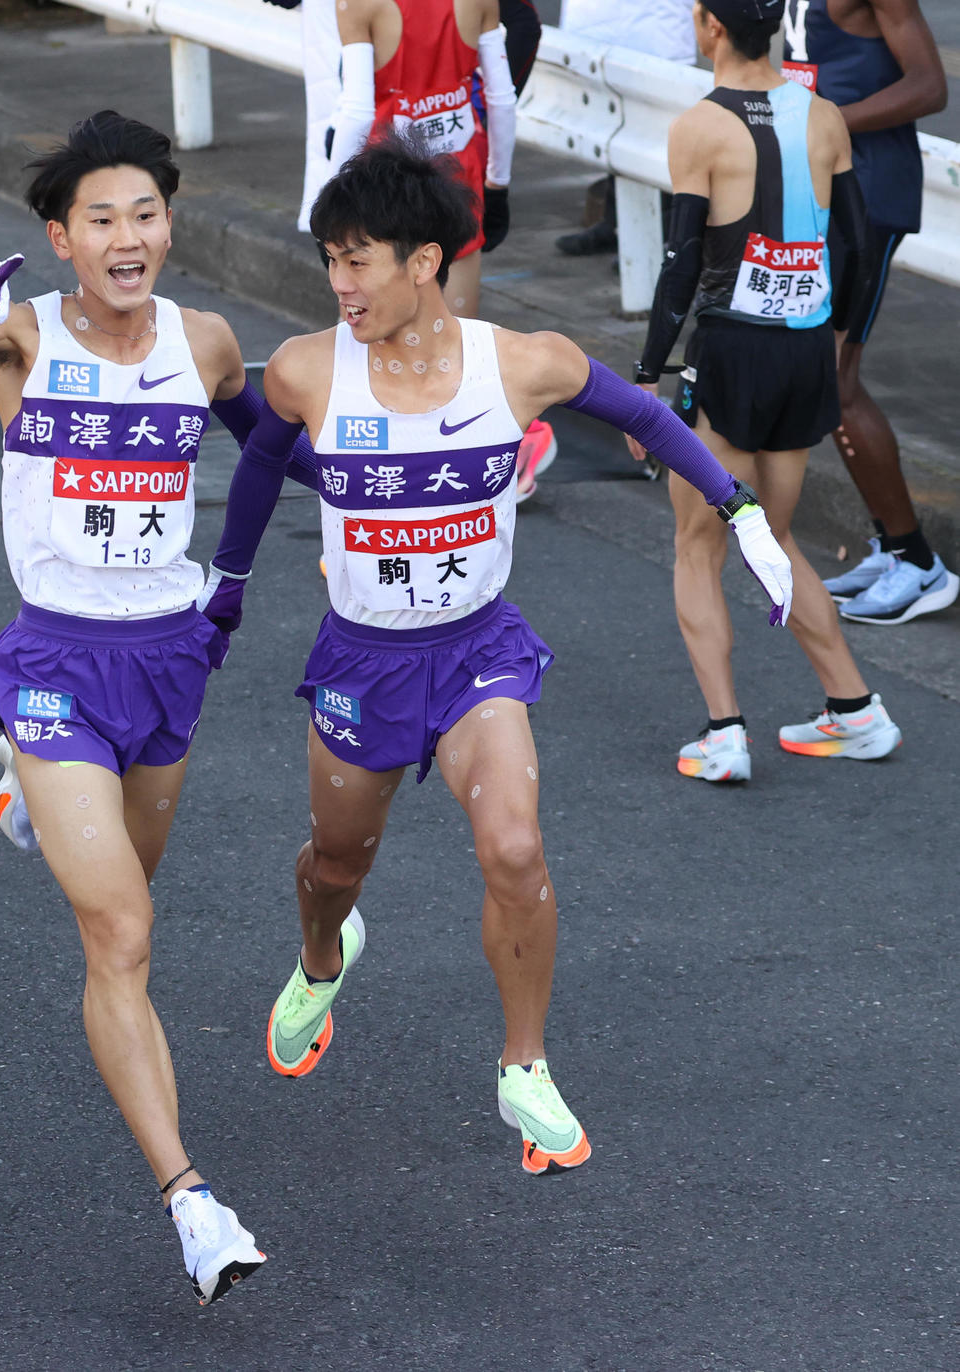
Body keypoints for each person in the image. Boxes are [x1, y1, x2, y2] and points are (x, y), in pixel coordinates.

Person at [196, 132, 793, 1174]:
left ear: (423, 263)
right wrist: (229, 585)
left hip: (476, 651)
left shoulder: (521, 363)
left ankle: (524, 1065)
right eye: (329, 260)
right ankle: (322, 954)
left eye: (359, 260)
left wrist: (737, 507)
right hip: (361, 660)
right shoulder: (303, 372)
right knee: (335, 863)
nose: (341, 283)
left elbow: (645, 413)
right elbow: (258, 466)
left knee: (515, 847)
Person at [0, 110, 332, 1307]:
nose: (128, 237)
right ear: (61, 237)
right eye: (102, 220)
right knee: (119, 934)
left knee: (135, 891)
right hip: (54, 663)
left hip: (167, 662)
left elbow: (275, 444)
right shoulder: (21, 336)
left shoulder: (209, 341)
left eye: (145, 214)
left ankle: (23, 795)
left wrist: (371, 498)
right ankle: (192, 1201)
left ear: (167, 226)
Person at [629, 0, 902, 781]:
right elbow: (852, 239)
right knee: (773, 538)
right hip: (804, 353)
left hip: (731, 356)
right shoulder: (823, 117)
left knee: (697, 546)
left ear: (712, 25)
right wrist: (840, 336)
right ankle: (855, 710)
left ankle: (724, 735)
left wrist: (648, 375)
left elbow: (682, 265)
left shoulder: (700, 127)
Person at [325, 0, 557, 502]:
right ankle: (469, 498)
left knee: (372, 364)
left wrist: (334, 214)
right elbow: (501, 100)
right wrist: (499, 187)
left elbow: (357, 112)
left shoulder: (357, 4)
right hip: (459, 189)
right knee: (459, 354)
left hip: (382, 204)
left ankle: (387, 503)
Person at [781, 0, 955, 625]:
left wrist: (827, 122)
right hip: (821, 184)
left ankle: (917, 562)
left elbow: (930, 86)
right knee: (823, 377)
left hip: (867, 192)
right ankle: (891, 547)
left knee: (836, 379)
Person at [553, 0, 698, 257]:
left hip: (657, 35)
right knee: (619, 133)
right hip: (608, 32)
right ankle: (615, 224)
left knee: (662, 145)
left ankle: (660, 237)